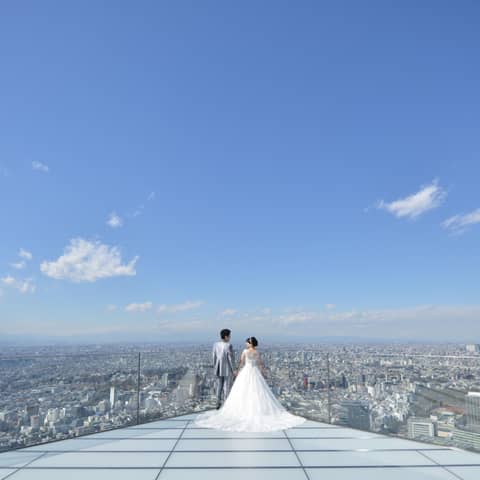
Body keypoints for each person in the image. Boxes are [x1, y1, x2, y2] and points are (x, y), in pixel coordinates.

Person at [195, 336, 305, 431]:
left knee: (242, 391)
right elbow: (260, 363)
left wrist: (237, 371)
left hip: (246, 372)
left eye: (247, 342)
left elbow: (241, 362)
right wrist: (264, 372)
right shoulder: (257, 352)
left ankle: (240, 410)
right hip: (255, 372)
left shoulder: (245, 351)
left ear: (250, 343)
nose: (245, 343)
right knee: (258, 391)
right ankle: (259, 411)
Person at [212, 328, 235, 409]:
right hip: (227, 368)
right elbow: (231, 359)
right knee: (226, 386)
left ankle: (217, 403)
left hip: (218, 368)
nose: (230, 337)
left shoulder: (215, 344)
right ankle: (226, 404)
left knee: (219, 386)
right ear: (226, 337)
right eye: (229, 336)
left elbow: (214, 356)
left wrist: (215, 366)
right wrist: (234, 369)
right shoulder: (229, 345)